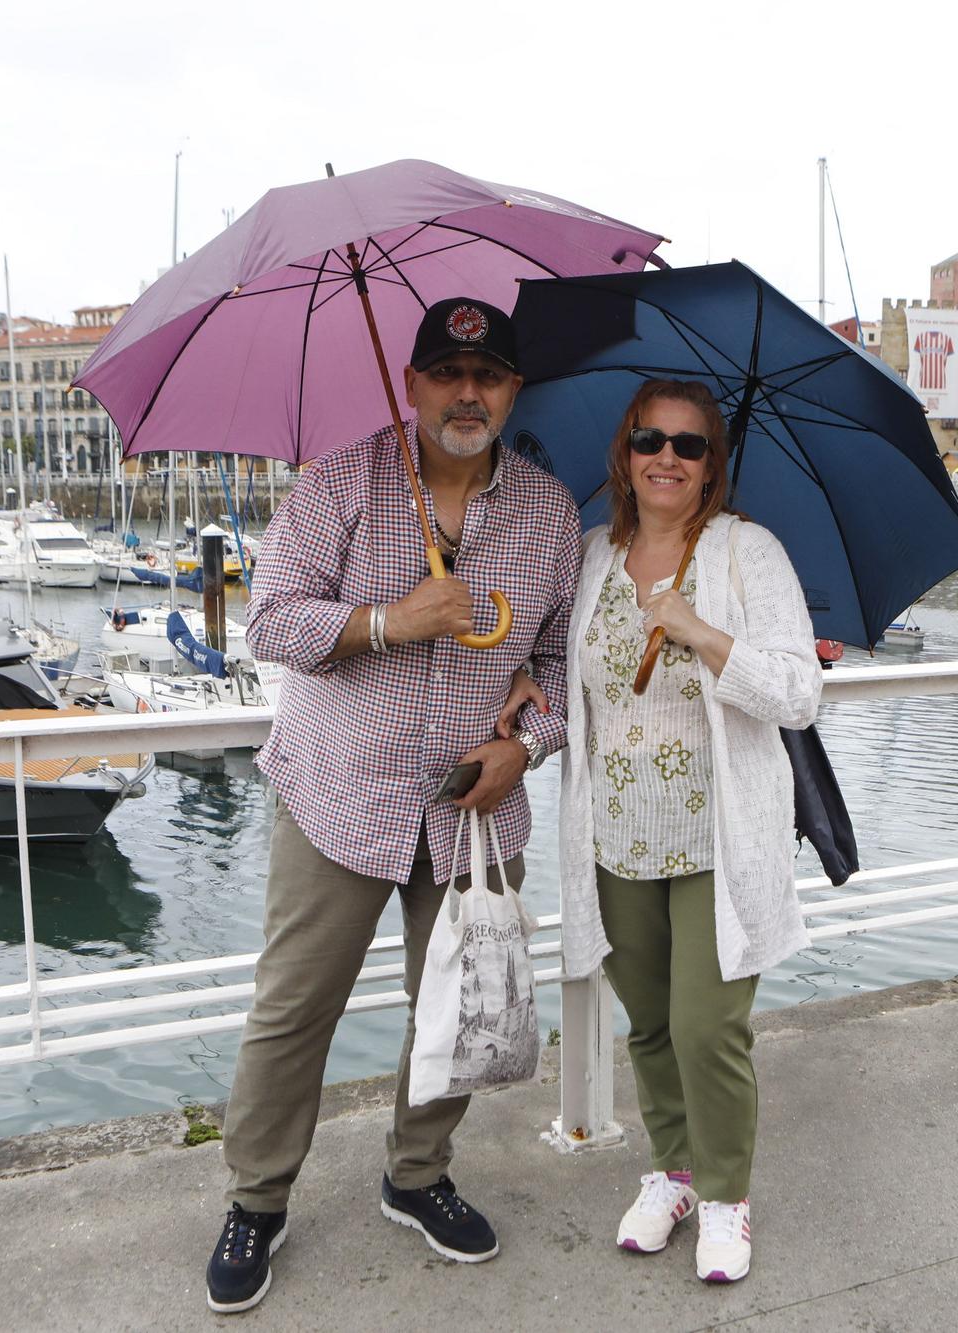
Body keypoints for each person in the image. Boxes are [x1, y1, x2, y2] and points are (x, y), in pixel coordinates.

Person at [203, 297, 580, 1315]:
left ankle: (416, 1173)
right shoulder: (340, 483)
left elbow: (557, 660)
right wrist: (389, 619)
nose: (469, 393)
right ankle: (257, 1196)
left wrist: (525, 745)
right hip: (340, 791)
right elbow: (270, 625)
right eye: (449, 374)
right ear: (410, 384)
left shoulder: (548, 513)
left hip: (469, 802)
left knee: (456, 1005)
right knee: (293, 1010)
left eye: (490, 376)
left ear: (511, 390)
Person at [512, 378, 820, 1283]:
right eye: (651, 440)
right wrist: (529, 690)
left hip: (719, 842)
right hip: (616, 836)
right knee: (649, 1022)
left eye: (689, 446)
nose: (667, 459)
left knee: (706, 1028)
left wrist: (703, 634)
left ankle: (727, 1193)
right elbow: (573, 681)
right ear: (625, 452)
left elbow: (800, 692)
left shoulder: (745, 554)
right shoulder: (593, 558)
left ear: (712, 463)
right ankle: (673, 1172)